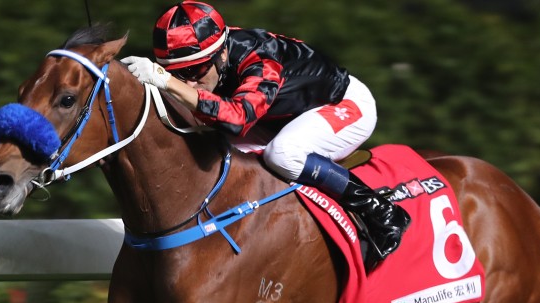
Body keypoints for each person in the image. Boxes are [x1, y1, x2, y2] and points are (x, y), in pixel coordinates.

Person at [121, 1, 410, 267]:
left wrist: (166, 80)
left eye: (196, 69)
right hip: (279, 117)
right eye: (178, 72)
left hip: (343, 104)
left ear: (222, 53)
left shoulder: (260, 57)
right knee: (216, 151)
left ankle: (382, 212)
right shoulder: (212, 57)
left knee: (283, 153)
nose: (189, 81)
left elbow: (237, 119)